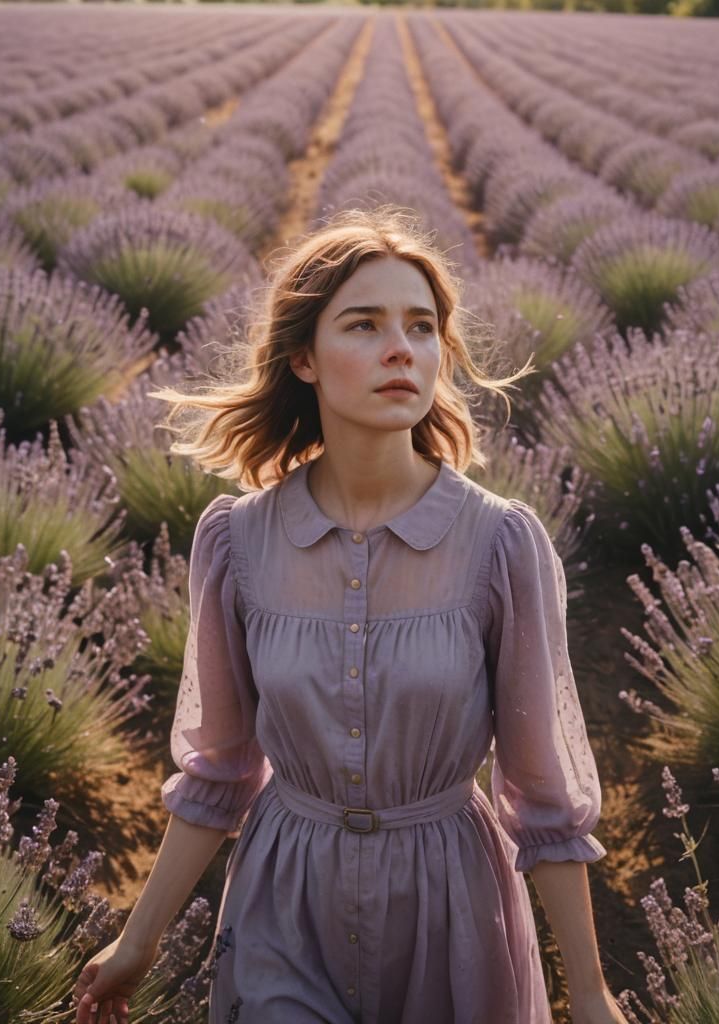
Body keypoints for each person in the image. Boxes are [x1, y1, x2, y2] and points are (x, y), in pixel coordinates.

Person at [71, 207, 628, 1024]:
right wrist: (138, 943)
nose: (401, 348)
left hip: (450, 911)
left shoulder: (498, 544)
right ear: (303, 355)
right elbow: (218, 773)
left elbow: (542, 796)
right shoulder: (239, 541)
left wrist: (592, 993)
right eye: (364, 325)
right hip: (283, 904)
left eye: (422, 326)